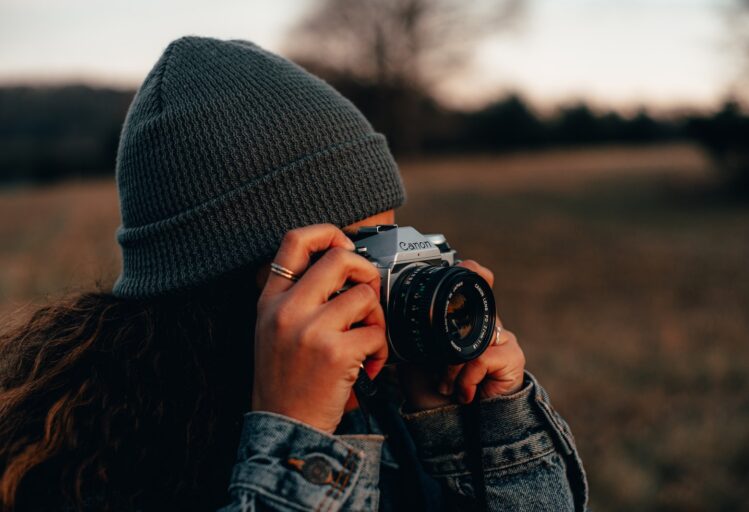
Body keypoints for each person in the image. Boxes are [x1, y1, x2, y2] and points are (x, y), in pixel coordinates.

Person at [0, 37, 588, 511]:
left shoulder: (384, 396)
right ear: (222, 286)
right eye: (353, 254)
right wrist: (294, 441)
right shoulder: (91, 468)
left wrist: (477, 431)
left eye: (391, 240)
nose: (382, 280)